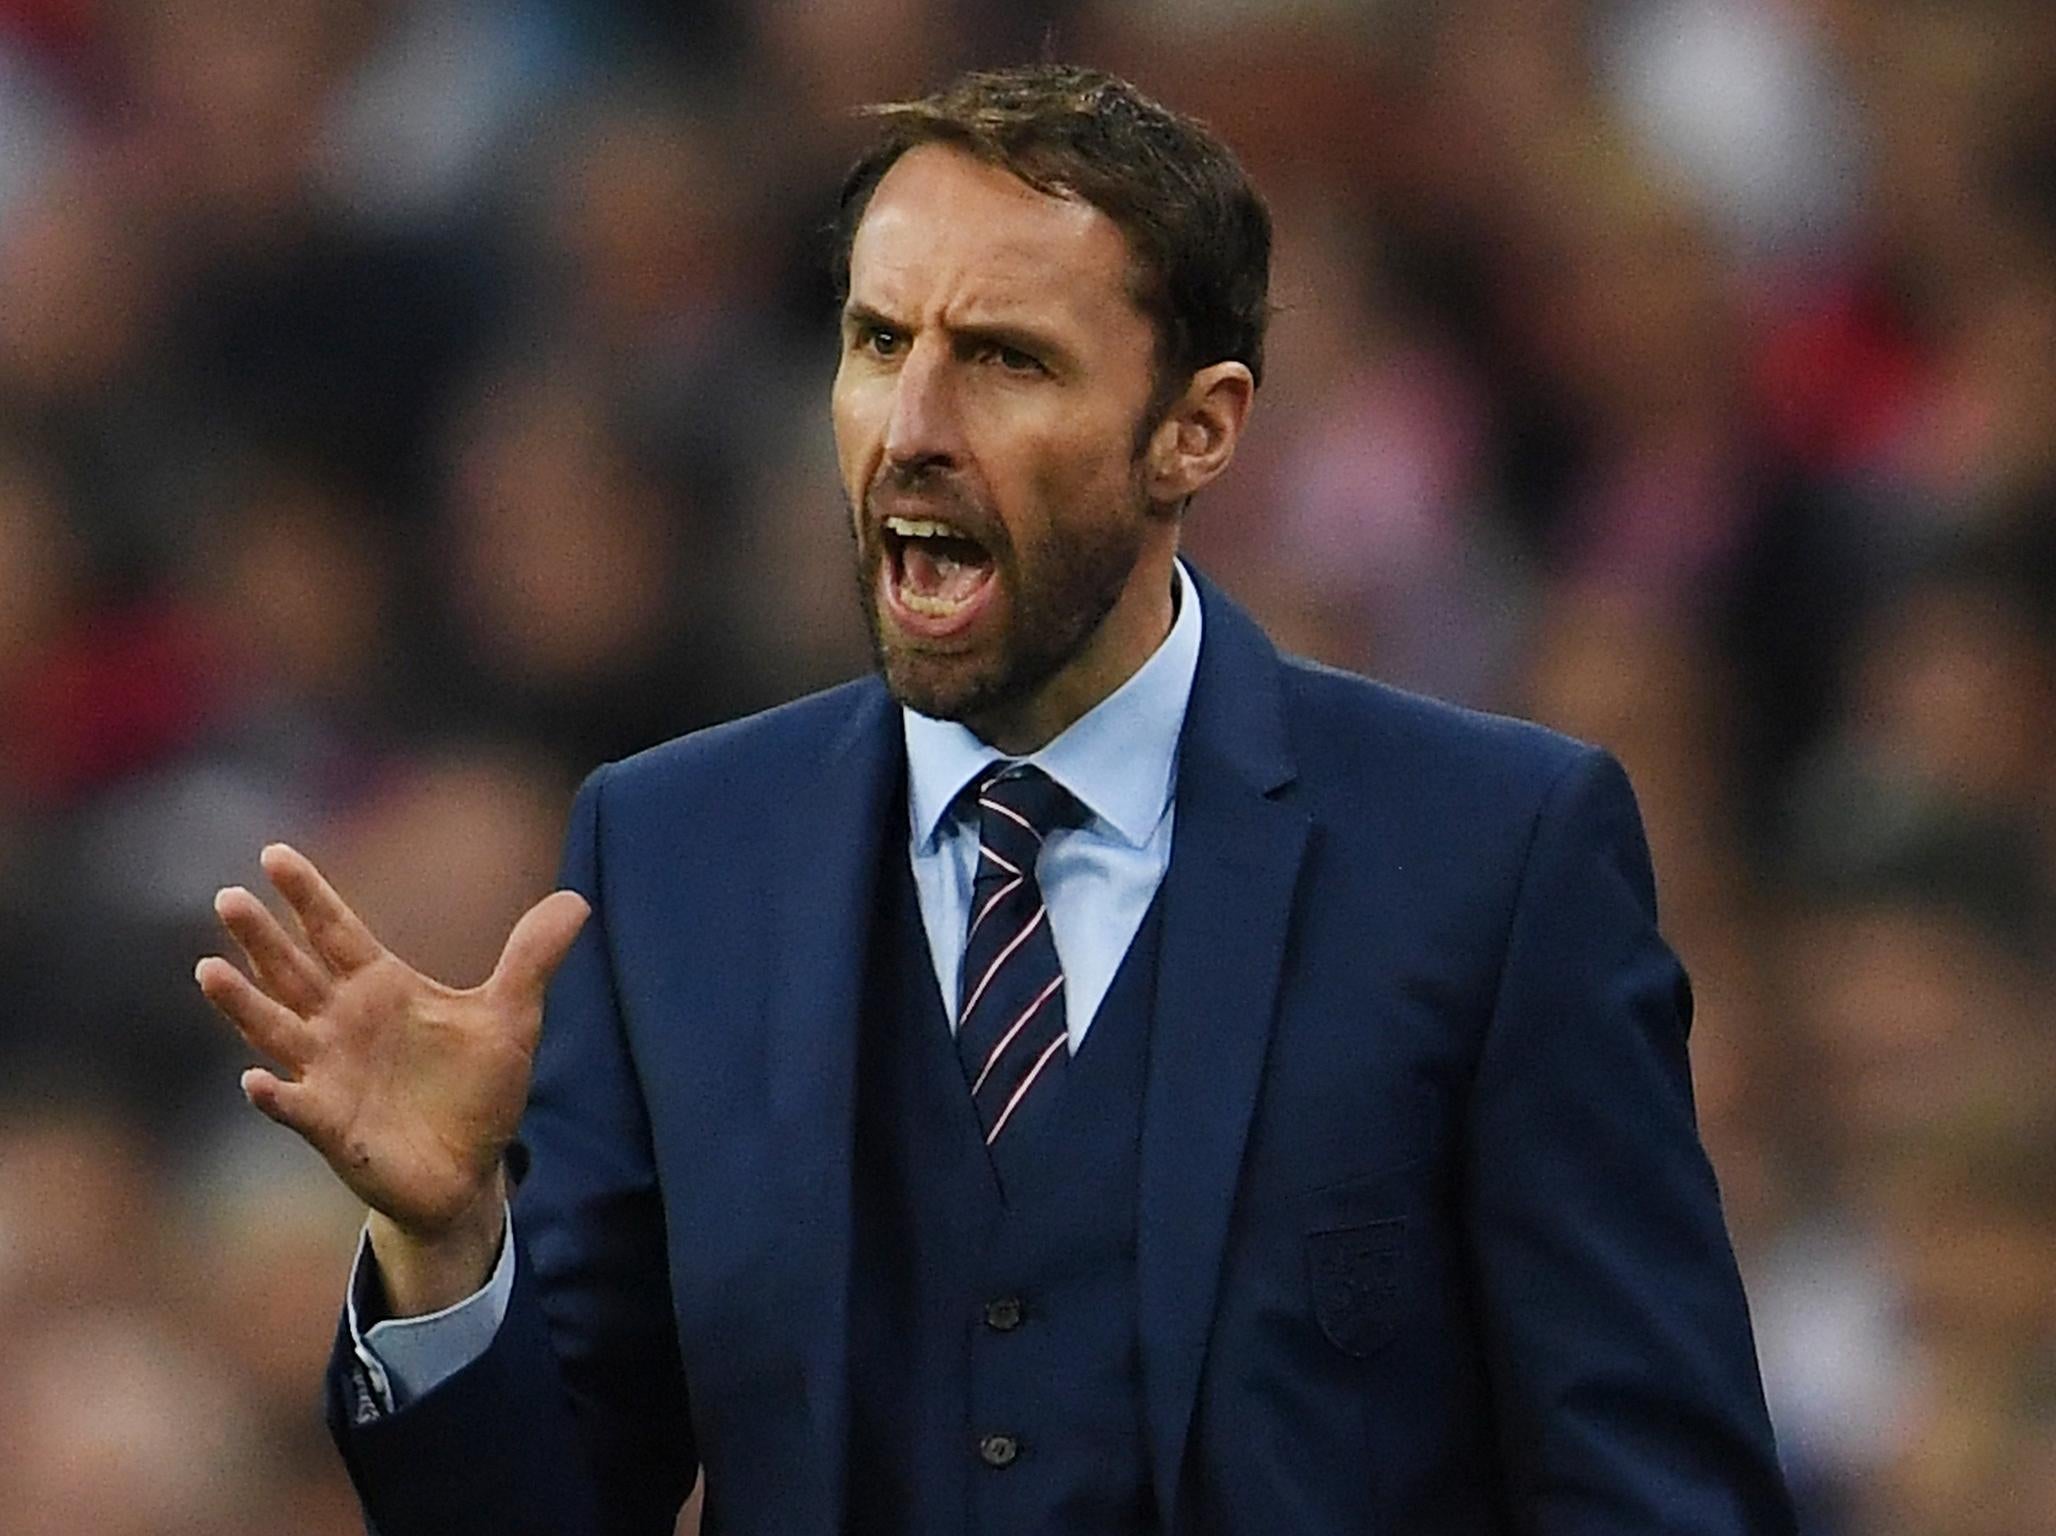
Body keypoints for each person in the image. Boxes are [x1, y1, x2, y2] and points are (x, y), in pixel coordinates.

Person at [196, 64, 1795, 1536]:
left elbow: (1660, 1495)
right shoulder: (674, 857)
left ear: (1196, 431)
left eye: (1007, 360)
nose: (913, 428)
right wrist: (446, 1249)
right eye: (879, 343)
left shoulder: (1493, 855)